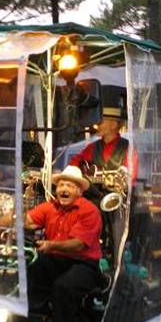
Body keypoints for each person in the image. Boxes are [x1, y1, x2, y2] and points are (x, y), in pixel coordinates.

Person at [24, 165, 103, 322]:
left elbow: (78, 244)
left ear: (79, 191)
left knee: (63, 287)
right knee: (31, 268)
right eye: (61, 185)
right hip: (56, 259)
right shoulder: (50, 207)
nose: (64, 189)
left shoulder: (89, 210)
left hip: (84, 263)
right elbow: (28, 220)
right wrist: (5, 222)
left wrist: (50, 245)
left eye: (69, 185)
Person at [69, 106, 137, 261]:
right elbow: (75, 162)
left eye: (101, 121)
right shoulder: (93, 147)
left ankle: (117, 259)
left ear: (114, 125)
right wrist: (73, 174)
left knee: (116, 229)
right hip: (94, 198)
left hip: (118, 200)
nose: (96, 125)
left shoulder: (128, 148)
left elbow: (130, 177)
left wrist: (121, 183)